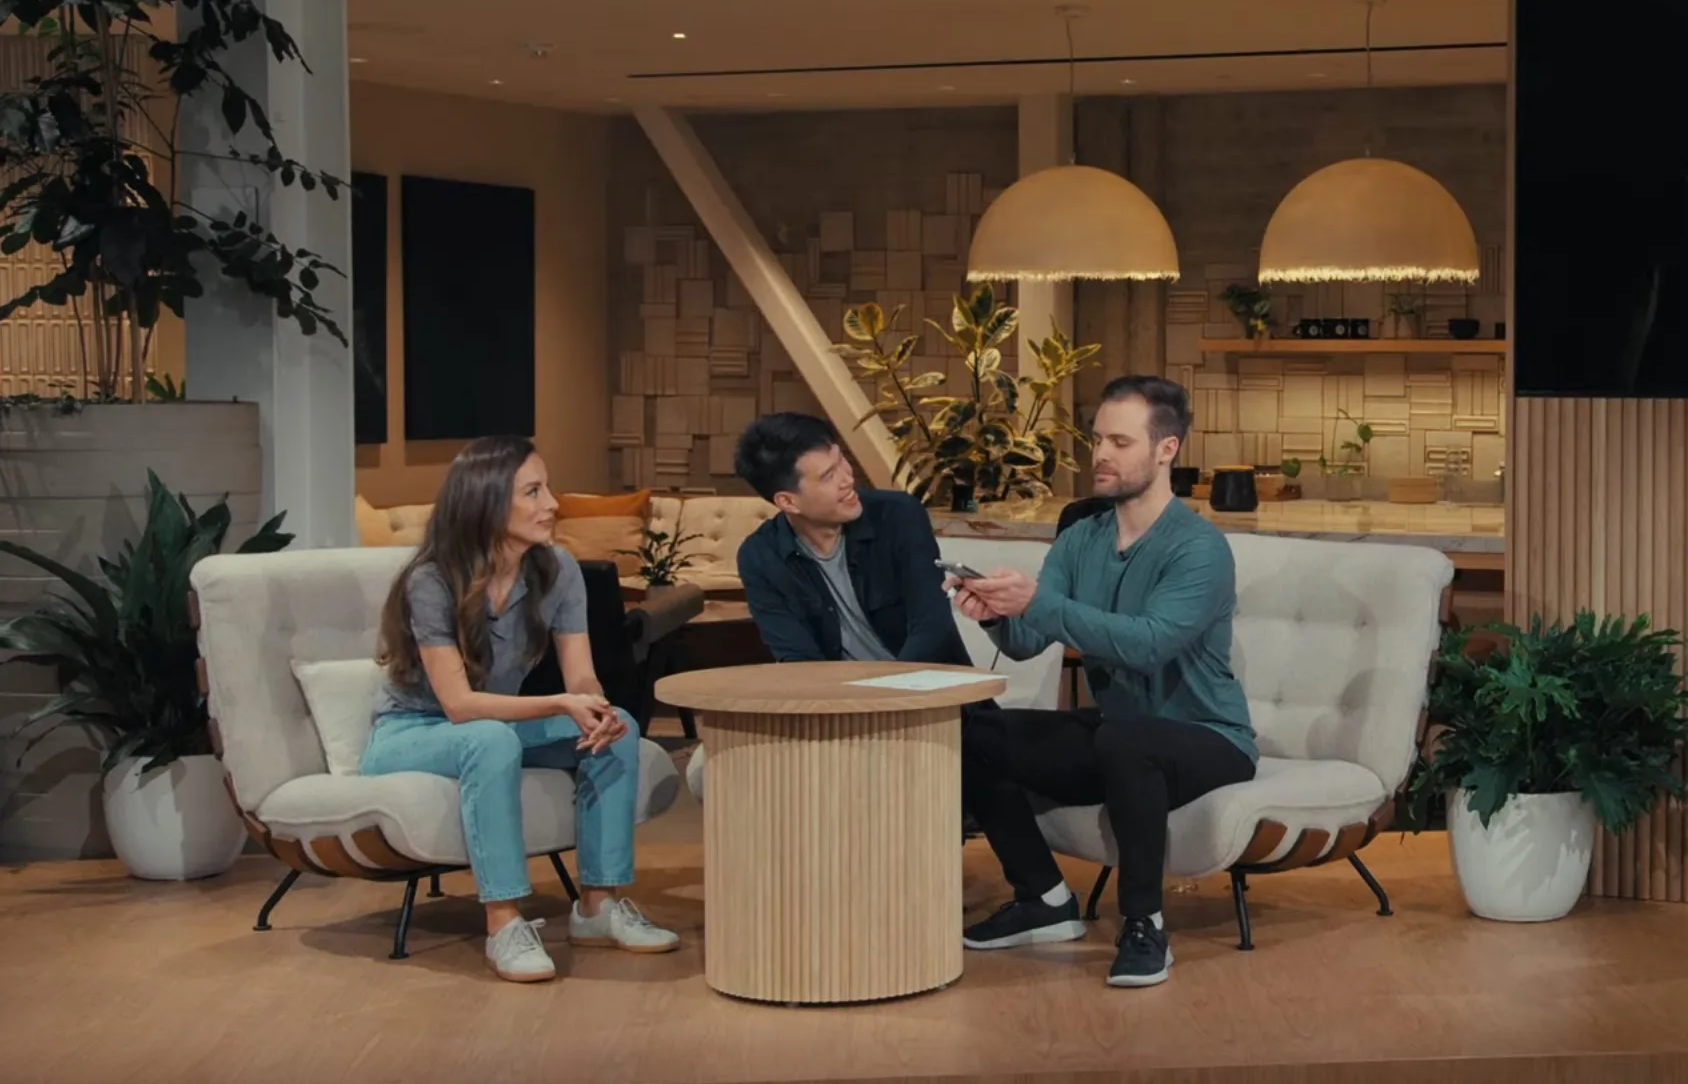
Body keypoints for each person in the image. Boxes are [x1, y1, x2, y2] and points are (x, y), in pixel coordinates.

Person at [951, 375, 1257, 989]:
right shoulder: (1081, 538)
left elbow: (1147, 645)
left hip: (1208, 737)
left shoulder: (1199, 548)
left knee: (1126, 740)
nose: (1101, 455)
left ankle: (1144, 925)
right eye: (1097, 440)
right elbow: (1029, 640)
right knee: (970, 730)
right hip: (1121, 733)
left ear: (1166, 449)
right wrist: (996, 615)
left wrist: (1036, 602)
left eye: (1120, 442)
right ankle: (1044, 898)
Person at [367, 436, 680, 984]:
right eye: (533, 492)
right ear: (487, 502)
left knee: (621, 728)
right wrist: (560, 702)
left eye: (547, 488)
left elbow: (580, 674)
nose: (552, 504)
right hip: (414, 731)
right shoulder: (431, 580)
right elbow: (459, 706)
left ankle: (598, 906)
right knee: (490, 739)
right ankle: (504, 923)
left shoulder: (557, 569)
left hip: (495, 726)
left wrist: (593, 706)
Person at [731, 412, 972, 669]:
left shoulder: (898, 516)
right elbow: (798, 660)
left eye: (841, 460)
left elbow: (932, 626)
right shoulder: (760, 557)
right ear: (788, 502)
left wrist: (892, 688)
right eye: (828, 476)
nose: (848, 479)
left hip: (932, 686)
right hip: (838, 692)